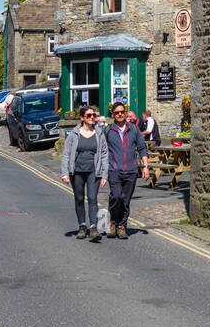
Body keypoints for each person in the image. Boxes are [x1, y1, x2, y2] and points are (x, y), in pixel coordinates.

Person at [60, 106, 109, 242]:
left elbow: (104, 154)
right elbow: (66, 154)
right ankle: (82, 226)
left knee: (93, 198)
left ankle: (93, 227)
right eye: (88, 115)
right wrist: (65, 173)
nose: (92, 117)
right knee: (79, 198)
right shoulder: (74, 134)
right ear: (82, 118)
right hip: (76, 172)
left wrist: (104, 175)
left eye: (94, 115)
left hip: (94, 171)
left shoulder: (99, 133)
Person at [103, 102, 147, 239]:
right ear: (113, 115)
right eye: (117, 112)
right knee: (116, 196)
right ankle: (112, 221)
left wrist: (145, 166)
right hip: (114, 170)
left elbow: (142, 148)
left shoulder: (133, 129)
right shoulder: (108, 131)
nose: (120, 114)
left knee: (126, 200)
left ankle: (122, 226)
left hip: (131, 171)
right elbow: (102, 150)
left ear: (125, 113)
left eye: (122, 111)